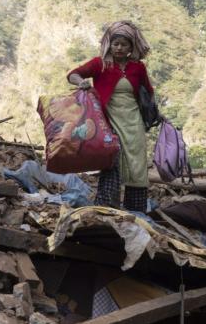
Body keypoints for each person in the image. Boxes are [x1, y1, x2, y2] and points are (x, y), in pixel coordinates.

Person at [67, 21, 158, 211]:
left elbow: (148, 92)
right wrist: (81, 82)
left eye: (124, 44)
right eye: (116, 44)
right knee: (112, 158)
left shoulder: (137, 67)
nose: (119, 48)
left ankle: (136, 209)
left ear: (130, 48)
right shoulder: (100, 64)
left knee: (136, 163)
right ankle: (107, 205)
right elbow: (73, 74)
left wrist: (155, 114)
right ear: (110, 44)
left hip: (134, 121)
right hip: (108, 121)